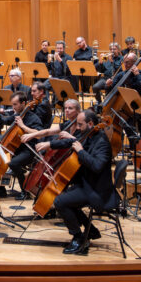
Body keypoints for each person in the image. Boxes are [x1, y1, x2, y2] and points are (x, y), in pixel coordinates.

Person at [36, 109, 118, 255]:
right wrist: (50, 144)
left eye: (80, 125)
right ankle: (90, 230)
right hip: (88, 183)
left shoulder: (102, 143)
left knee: (60, 201)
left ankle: (78, 237)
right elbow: (72, 141)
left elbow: (97, 166)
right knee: (65, 194)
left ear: (91, 123)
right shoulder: (89, 134)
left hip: (97, 190)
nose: (78, 128)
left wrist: (81, 152)